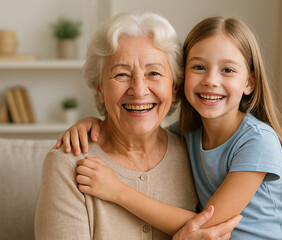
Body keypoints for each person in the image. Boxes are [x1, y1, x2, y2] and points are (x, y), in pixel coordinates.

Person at [57, 15, 282, 239]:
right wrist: (91, 122)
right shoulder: (184, 137)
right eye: (199, 67)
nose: (211, 80)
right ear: (182, 79)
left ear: (250, 83)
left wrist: (117, 191)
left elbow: (208, 225)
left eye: (228, 70)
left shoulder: (257, 141)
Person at [35, 12, 242, 240]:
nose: (139, 90)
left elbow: (257, 212)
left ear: (174, 87)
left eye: (154, 73)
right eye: (121, 74)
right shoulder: (67, 164)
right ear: (100, 89)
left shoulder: (195, 152)